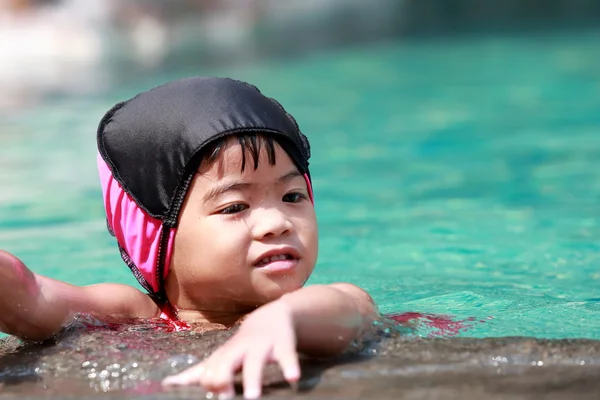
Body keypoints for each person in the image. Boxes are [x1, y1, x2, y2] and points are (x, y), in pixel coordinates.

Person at [0, 76, 377, 399]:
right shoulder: (135, 313)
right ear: (156, 235)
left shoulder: (320, 303)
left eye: (292, 196)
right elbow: (32, 298)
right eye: (234, 207)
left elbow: (352, 310)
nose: (276, 223)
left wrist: (282, 319)